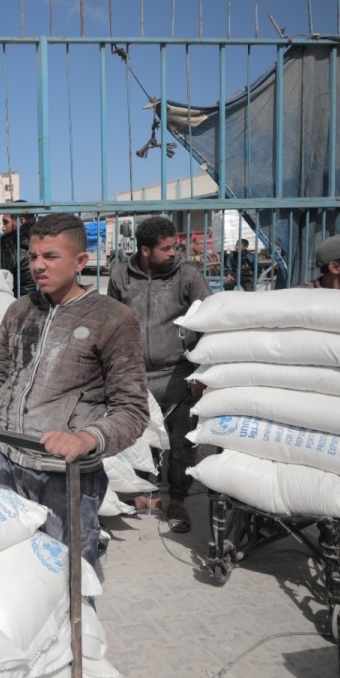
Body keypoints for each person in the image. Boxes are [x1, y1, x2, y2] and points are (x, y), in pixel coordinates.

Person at [0, 213, 148, 566]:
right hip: (7, 465)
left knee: (69, 575)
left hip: (65, 476)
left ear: (80, 261)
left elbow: (132, 411)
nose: (38, 266)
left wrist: (86, 438)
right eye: (33, 257)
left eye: (50, 257)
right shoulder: (20, 311)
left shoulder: (111, 319)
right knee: (15, 572)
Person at [107, 215, 212, 533]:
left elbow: (211, 324)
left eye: (175, 247)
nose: (174, 253)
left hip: (179, 373)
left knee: (180, 441)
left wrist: (202, 372)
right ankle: (146, 494)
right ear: (145, 250)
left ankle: (177, 499)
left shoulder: (188, 276)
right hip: (134, 374)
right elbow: (111, 324)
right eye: (166, 248)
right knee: (140, 438)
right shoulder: (120, 277)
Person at [0, 209, 37, 297]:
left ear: (21, 221)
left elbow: (4, 282)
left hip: (17, 302)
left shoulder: (10, 247)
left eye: (6, 222)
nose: (3, 228)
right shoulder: (44, 240)